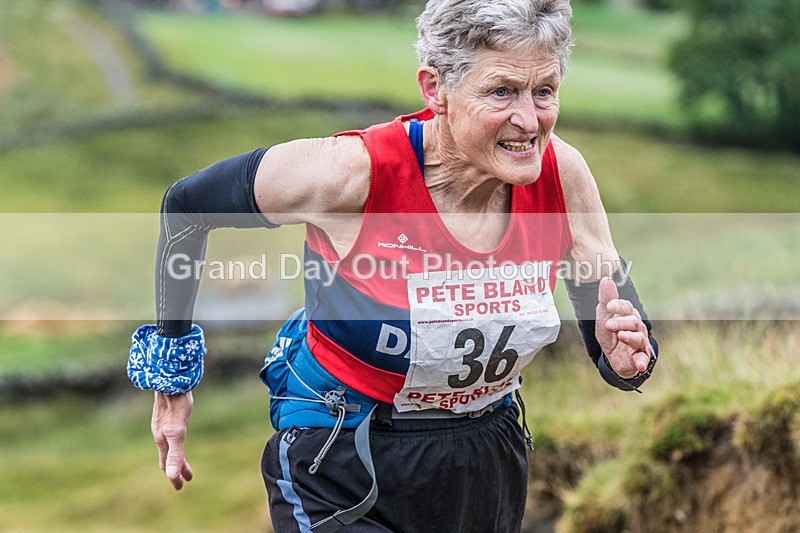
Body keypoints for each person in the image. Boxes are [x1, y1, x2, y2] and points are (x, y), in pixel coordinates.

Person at [127, 0, 658, 531]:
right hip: (338, 449)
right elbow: (185, 207)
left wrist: (626, 355)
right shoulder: (348, 175)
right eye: (502, 92)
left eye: (544, 91)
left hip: (485, 452)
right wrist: (172, 379)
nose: (529, 120)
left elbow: (618, 335)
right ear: (436, 89)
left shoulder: (561, 173)